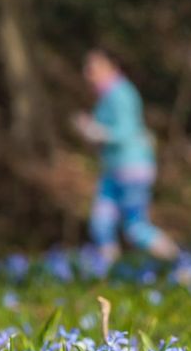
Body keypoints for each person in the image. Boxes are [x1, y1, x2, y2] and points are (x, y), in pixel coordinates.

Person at [74, 49, 179, 264]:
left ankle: (178, 261)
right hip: (112, 169)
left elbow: (127, 130)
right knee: (101, 223)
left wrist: (96, 131)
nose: (88, 73)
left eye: (93, 68)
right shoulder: (106, 96)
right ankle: (107, 272)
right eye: (87, 68)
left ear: (111, 66)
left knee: (135, 227)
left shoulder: (121, 93)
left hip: (132, 168)